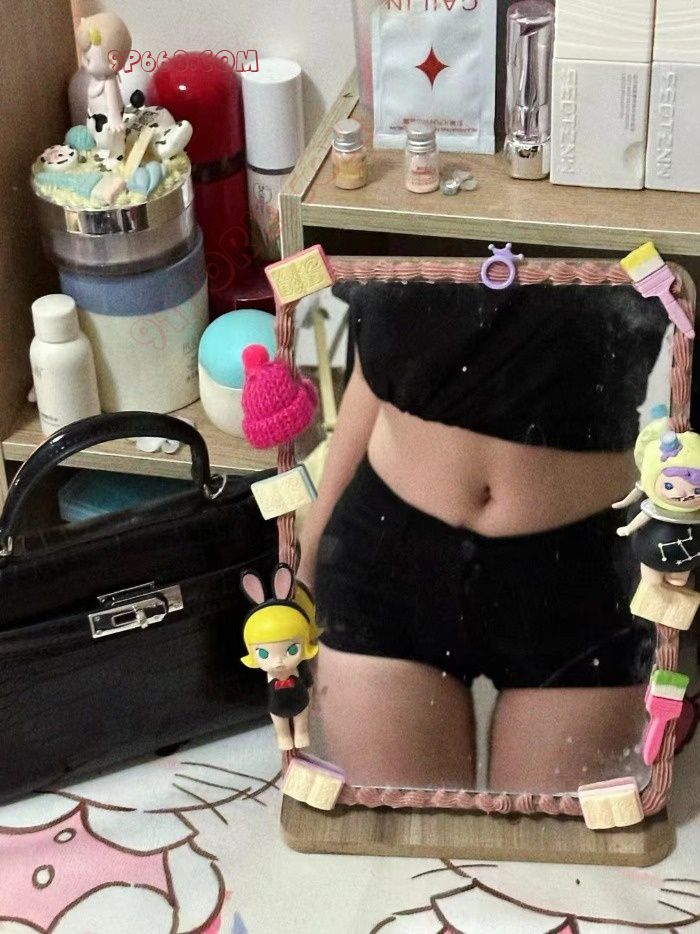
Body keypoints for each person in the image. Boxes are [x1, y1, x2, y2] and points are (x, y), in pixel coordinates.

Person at [297, 273, 669, 794]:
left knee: (547, 843)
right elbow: (377, 365)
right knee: (406, 839)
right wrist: (309, 551)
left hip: (586, 574)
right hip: (386, 555)